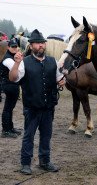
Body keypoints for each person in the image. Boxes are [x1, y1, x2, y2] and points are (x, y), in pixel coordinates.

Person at [9, 29, 65, 175]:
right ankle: (25, 163)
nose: (41, 45)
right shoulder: (24, 62)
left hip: (48, 107)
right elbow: (13, 78)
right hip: (32, 108)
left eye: (42, 43)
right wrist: (16, 64)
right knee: (29, 136)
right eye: (37, 43)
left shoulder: (53, 62)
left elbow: (59, 79)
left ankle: (45, 161)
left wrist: (62, 81)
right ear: (31, 45)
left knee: (46, 135)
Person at [0, 39, 21, 138]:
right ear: (8, 47)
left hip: (11, 85)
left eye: (16, 46)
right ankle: (6, 130)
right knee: (8, 108)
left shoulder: (12, 56)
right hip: (9, 85)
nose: (15, 48)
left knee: (9, 108)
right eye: (12, 47)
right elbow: (17, 70)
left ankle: (10, 127)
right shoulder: (8, 59)